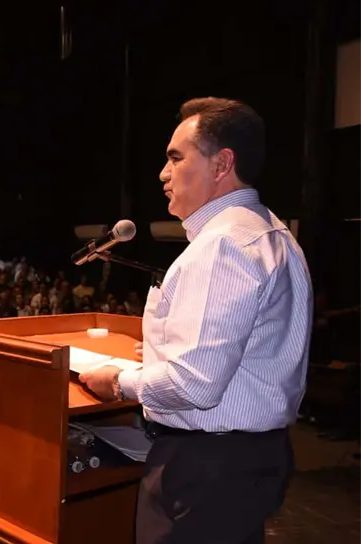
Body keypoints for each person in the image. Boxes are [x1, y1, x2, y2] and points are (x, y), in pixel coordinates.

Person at [78, 97, 311, 544]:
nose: (164, 174)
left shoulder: (223, 245)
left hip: (207, 466)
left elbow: (194, 385)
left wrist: (120, 379)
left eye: (176, 158)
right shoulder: (271, 232)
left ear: (222, 163)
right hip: (248, 457)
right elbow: (253, 352)